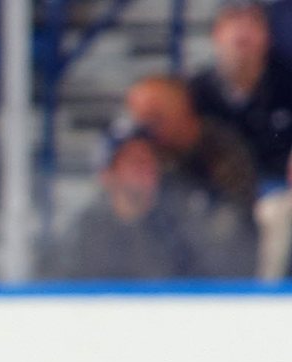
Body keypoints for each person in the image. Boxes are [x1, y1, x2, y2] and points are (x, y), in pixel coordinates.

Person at [45, 121, 256, 280]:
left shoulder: (183, 225)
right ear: (107, 174)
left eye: (149, 159)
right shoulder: (85, 230)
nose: (145, 167)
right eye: (133, 160)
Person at [189, 1, 292, 188]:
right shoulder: (192, 95)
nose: (243, 29)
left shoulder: (287, 83)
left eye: (254, 21)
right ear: (216, 33)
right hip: (215, 202)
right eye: (233, 19)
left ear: (269, 37)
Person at [124, 74, 258, 214]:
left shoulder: (219, 147)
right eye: (143, 122)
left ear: (182, 105)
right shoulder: (146, 152)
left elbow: (236, 210)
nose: (150, 129)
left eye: (156, 117)